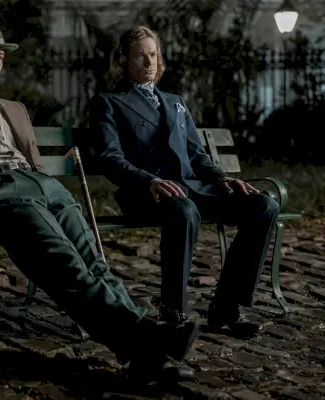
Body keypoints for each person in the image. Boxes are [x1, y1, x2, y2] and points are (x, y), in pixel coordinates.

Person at [0, 19, 199, 382]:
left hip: (44, 186)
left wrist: (44, 183)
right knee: (67, 264)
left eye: (0, 54)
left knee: (94, 262)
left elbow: (33, 160)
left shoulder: (16, 109)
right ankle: (149, 338)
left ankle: (144, 352)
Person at [88, 25, 279, 337]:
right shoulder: (108, 102)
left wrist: (221, 178)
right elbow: (109, 157)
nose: (149, 62)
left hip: (191, 187)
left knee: (263, 205)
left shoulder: (174, 101)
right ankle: (173, 310)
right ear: (122, 60)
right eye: (139, 56)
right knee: (184, 209)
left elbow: (196, 153)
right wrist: (148, 180)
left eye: (153, 55)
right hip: (145, 192)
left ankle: (226, 306)